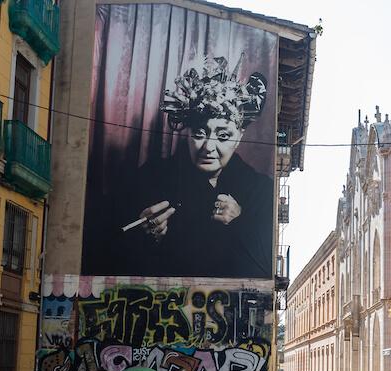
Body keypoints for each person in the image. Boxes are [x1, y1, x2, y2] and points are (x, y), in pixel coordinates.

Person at [112, 56, 273, 278]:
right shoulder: (151, 177)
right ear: (187, 132)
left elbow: (262, 268)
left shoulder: (261, 190)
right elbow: (114, 249)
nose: (208, 147)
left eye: (223, 136)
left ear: (239, 138)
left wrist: (240, 222)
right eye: (199, 133)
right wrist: (143, 236)